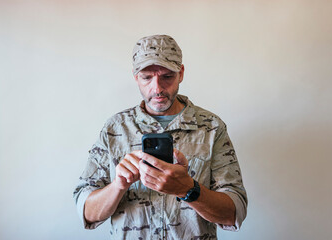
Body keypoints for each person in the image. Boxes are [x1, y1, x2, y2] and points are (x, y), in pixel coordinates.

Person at [73, 34, 248, 239]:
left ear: (181, 73)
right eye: (147, 77)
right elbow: (87, 213)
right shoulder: (114, 128)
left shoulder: (211, 127)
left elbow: (234, 212)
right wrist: (118, 185)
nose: (157, 89)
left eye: (167, 76)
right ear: (136, 76)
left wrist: (189, 190)